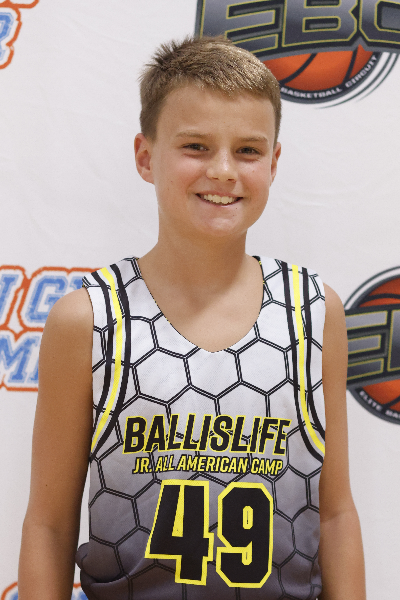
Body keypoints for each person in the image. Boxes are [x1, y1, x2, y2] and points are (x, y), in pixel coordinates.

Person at [18, 36, 366, 600]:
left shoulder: (313, 311)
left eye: (248, 150)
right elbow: (49, 525)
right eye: (196, 146)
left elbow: (335, 514)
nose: (223, 171)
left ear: (274, 162)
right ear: (145, 156)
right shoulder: (89, 318)